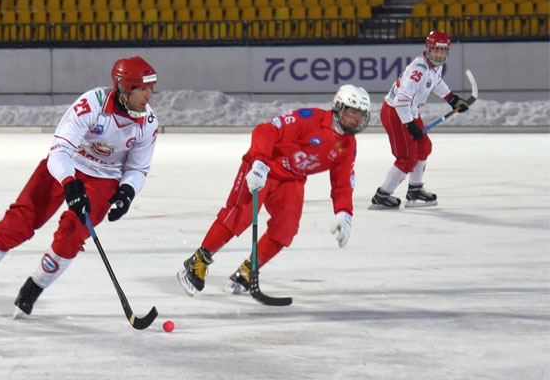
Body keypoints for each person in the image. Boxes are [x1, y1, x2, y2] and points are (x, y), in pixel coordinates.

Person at [0, 56, 159, 316]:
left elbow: (137, 169)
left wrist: (127, 192)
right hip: (65, 166)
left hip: (104, 178)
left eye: (151, 88)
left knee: (72, 233)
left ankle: (34, 287)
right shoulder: (91, 104)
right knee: (17, 224)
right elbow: (60, 149)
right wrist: (70, 183)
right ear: (123, 88)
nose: (148, 95)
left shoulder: (148, 124)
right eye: (142, 89)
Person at [177, 85, 371, 297]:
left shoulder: (348, 145)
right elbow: (265, 130)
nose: (356, 120)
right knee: (239, 215)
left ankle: (247, 271)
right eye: (352, 112)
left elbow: (342, 183)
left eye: (361, 115)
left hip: (292, 179)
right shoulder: (310, 118)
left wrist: (344, 212)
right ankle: (198, 261)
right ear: (338, 107)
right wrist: (259, 163)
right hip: (264, 166)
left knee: (285, 229)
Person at [370, 30, 469, 209]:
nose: (439, 55)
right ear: (428, 49)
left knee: (424, 147)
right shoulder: (418, 71)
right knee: (407, 158)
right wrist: (409, 125)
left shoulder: (433, 66)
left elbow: (436, 83)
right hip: (396, 113)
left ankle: (414, 190)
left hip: (410, 112)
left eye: (442, 51)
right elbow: (401, 101)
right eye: (435, 50)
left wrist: (451, 98)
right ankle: (382, 195)